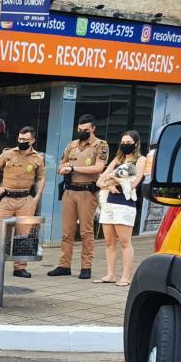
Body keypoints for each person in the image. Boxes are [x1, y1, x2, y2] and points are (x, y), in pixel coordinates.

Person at [0, 126, 46, 279]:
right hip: (7, 199)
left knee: (23, 235)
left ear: (32, 140)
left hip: (25, 199)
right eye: (20, 139)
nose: (21, 141)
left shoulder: (38, 158)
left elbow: (41, 178)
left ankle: (20, 267)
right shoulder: (8, 153)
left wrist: (36, 198)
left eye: (25, 139)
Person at [50, 114, 109, 280]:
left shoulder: (100, 145)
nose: (82, 132)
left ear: (93, 129)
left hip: (87, 192)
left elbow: (98, 168)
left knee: (86, 232)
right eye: (80, 129)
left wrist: (73, 168)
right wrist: (63, 168)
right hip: (69, 191)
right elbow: (60, 165)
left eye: (86, 130)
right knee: (67, 232)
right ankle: (64, 265)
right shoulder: (72, 145)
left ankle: (86, 267)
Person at [95, 130, 146, 286]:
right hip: (109, 203)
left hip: (125, 204)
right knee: (109, 241)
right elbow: (100, 181)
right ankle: (110, 274)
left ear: (136, 143)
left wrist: (111, 180)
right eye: (123, 142)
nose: (125, 145)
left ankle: (126, 276)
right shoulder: (118, 159)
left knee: (124, 241)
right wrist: (110, 186)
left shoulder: (140, 160)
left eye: (128, 142)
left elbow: (133, 183)